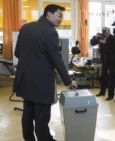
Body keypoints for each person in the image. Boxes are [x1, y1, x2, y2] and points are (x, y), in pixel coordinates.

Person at [13, 4, 77, 141]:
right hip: (42, 83)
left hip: (25, 80)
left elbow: (17, 53)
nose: (61, 19)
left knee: (28, 115)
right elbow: (57, 60)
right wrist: (69, 80)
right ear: (49, 14)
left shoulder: (26, 28)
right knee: (41, 119)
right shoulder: (50, 32)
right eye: (59, 15)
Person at [90, 27, 115, 100]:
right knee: (103, 76)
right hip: (104, 60)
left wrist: (105, 43)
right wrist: (95, 37)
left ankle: (111, 95)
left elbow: (113, 49)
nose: (105, 34)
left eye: (107, 33)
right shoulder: (101, 36)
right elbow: (92, 43)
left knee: (111, 78)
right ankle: (102, 91)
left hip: (112, 60)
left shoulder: (112, 38)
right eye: (104, 32)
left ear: (109, 32)